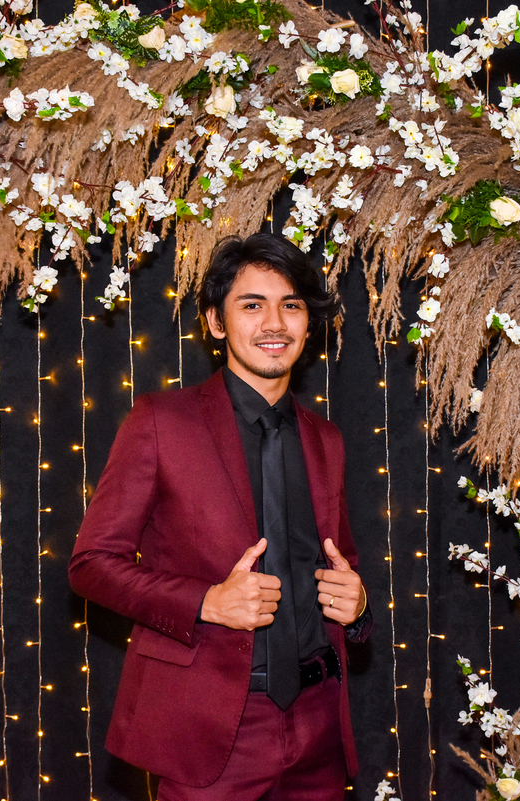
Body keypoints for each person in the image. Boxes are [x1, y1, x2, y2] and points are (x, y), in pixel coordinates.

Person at [69, 232, 372, 800]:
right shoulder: (160, 421)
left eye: (291, 305)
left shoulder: (326, 438)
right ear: (215, 321)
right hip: (209, 732)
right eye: (252, 305)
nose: (274, 323)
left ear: (308, 323)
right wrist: (206, 602)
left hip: (320, 726)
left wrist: (356, 608)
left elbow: (341, 566)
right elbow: (91, 565)